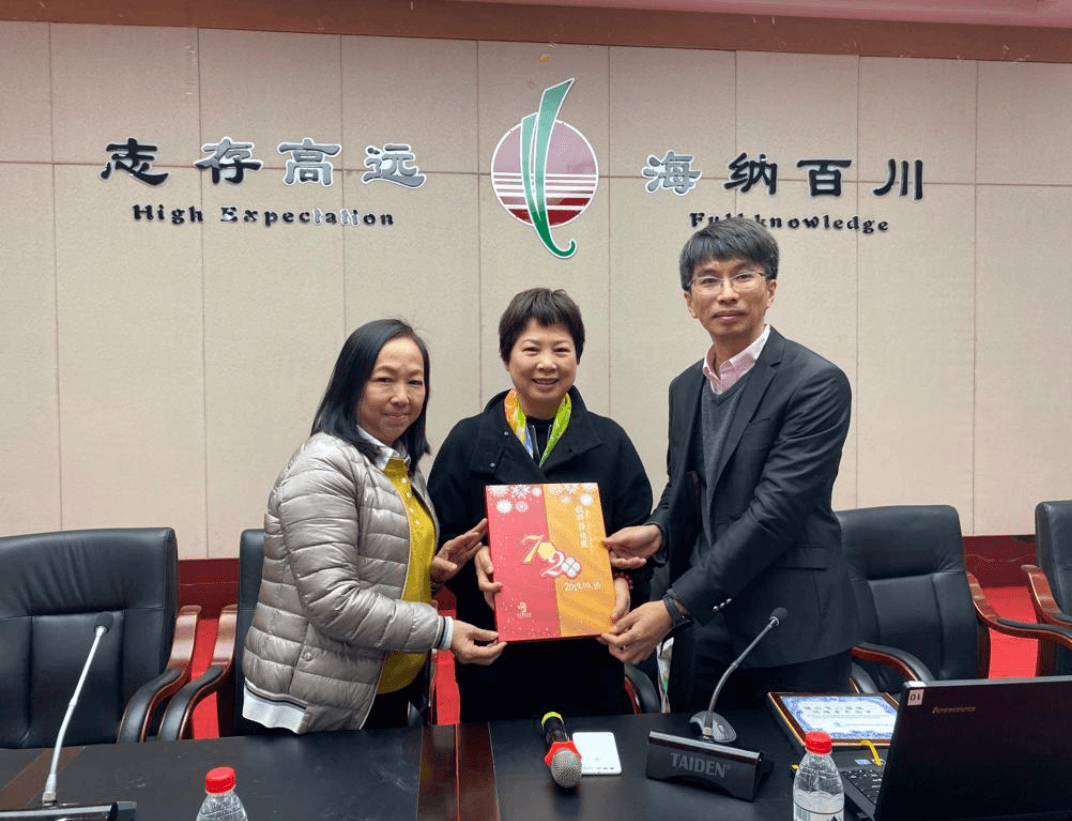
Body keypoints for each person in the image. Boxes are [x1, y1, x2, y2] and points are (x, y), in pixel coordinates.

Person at [600, 218, 861, 712]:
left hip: (789, 626)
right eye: (709, 279)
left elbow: (775, 514)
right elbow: (684, 487)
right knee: (697, 751)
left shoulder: (815, 382)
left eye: (743, 276)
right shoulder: (686, 387)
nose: (727, 293)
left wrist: (674, 606)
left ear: (770, 289)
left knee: (795, 759)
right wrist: (658, 530)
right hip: (706, 625)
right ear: (689, 300)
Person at [242, 319, 505, 734]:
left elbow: (378, 570)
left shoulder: (397, 465)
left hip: (379, 690)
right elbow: (334, 601)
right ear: (351, 385)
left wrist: (431, 576)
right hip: (316, 704)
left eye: (415, 382)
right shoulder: (323, 467)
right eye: (385, 380)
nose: (402, 396)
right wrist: (443, 631)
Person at [428, 288, 654, 721]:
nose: (547, 363)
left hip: (588, 660)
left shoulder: (611, 442)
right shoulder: (467, 440)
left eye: (561, 350)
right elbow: (441, 537)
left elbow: (641, 535)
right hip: (496, 659)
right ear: (507, 356)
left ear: (577, 356)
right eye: (531, 349)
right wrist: (474, 558)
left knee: (594, 760)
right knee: (496, 761)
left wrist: (624, 580)